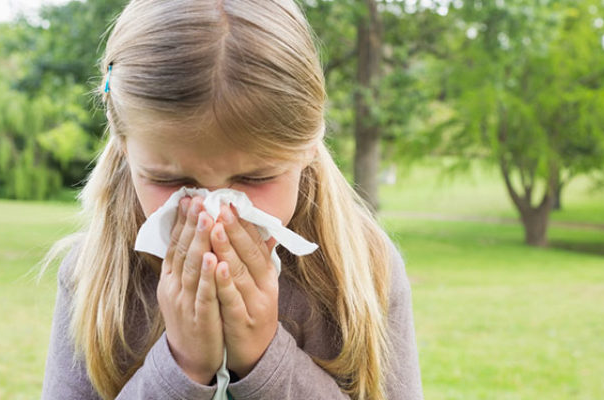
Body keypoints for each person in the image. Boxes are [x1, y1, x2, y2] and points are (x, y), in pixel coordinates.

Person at [39, 0, 423, 399]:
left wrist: (263, 361)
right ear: (123, 147)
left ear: (309, 143)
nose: (215, 213)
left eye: (255, 177)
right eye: (170, 180)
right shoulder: (94, 275)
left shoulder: (365, 267)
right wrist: (183, 365)